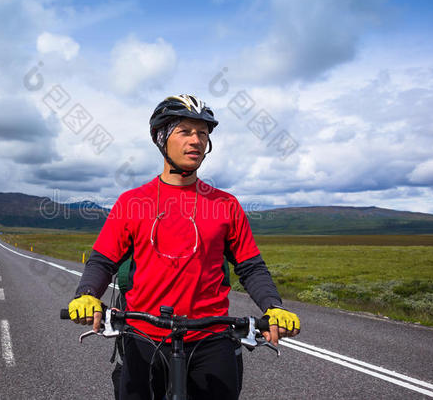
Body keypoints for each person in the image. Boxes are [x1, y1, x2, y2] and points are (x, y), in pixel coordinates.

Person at [68, 94, 300, 400]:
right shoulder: (132, 203)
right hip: (144, 337)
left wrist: (273, 306)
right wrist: (86, 295)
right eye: (186, 132)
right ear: (161, 138)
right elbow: (102, 261)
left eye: (203, 133)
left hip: (211, 338)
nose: (197, 141)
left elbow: (250, 266)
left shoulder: (225, 205)